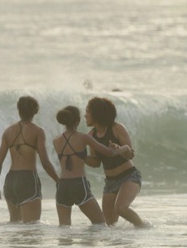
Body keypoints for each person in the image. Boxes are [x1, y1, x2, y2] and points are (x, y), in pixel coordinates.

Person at [53, 106, 132, 226]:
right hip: (78, 184)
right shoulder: (84, 137)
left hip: (62, 185)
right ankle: (88, 244)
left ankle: (65, 245)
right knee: (100, 224)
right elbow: (109, 153)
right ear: (78, 121)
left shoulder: (56, 141)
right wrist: (125, 148)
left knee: (64, 228)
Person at [0, 96, 59, 223]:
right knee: (32, 226)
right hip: (28, 179)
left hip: (11, 181)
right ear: (36, 111)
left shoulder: (8, 132)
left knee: (15, 225)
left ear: (19, 110)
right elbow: (45, 162)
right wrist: (58, 181)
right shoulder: (38, 131)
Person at [84, 97, 148, 228]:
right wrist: (80, 156)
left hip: (129, 176)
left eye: (87, 111)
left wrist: (119, 150)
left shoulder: (117, 128)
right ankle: (118, 247)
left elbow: (130, 154)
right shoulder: (91, 136)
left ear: (97, 113)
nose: (85, 115)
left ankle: (143, 227)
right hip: (110, 181)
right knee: (110, 225)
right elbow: (96, 162)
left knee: (120, 208)